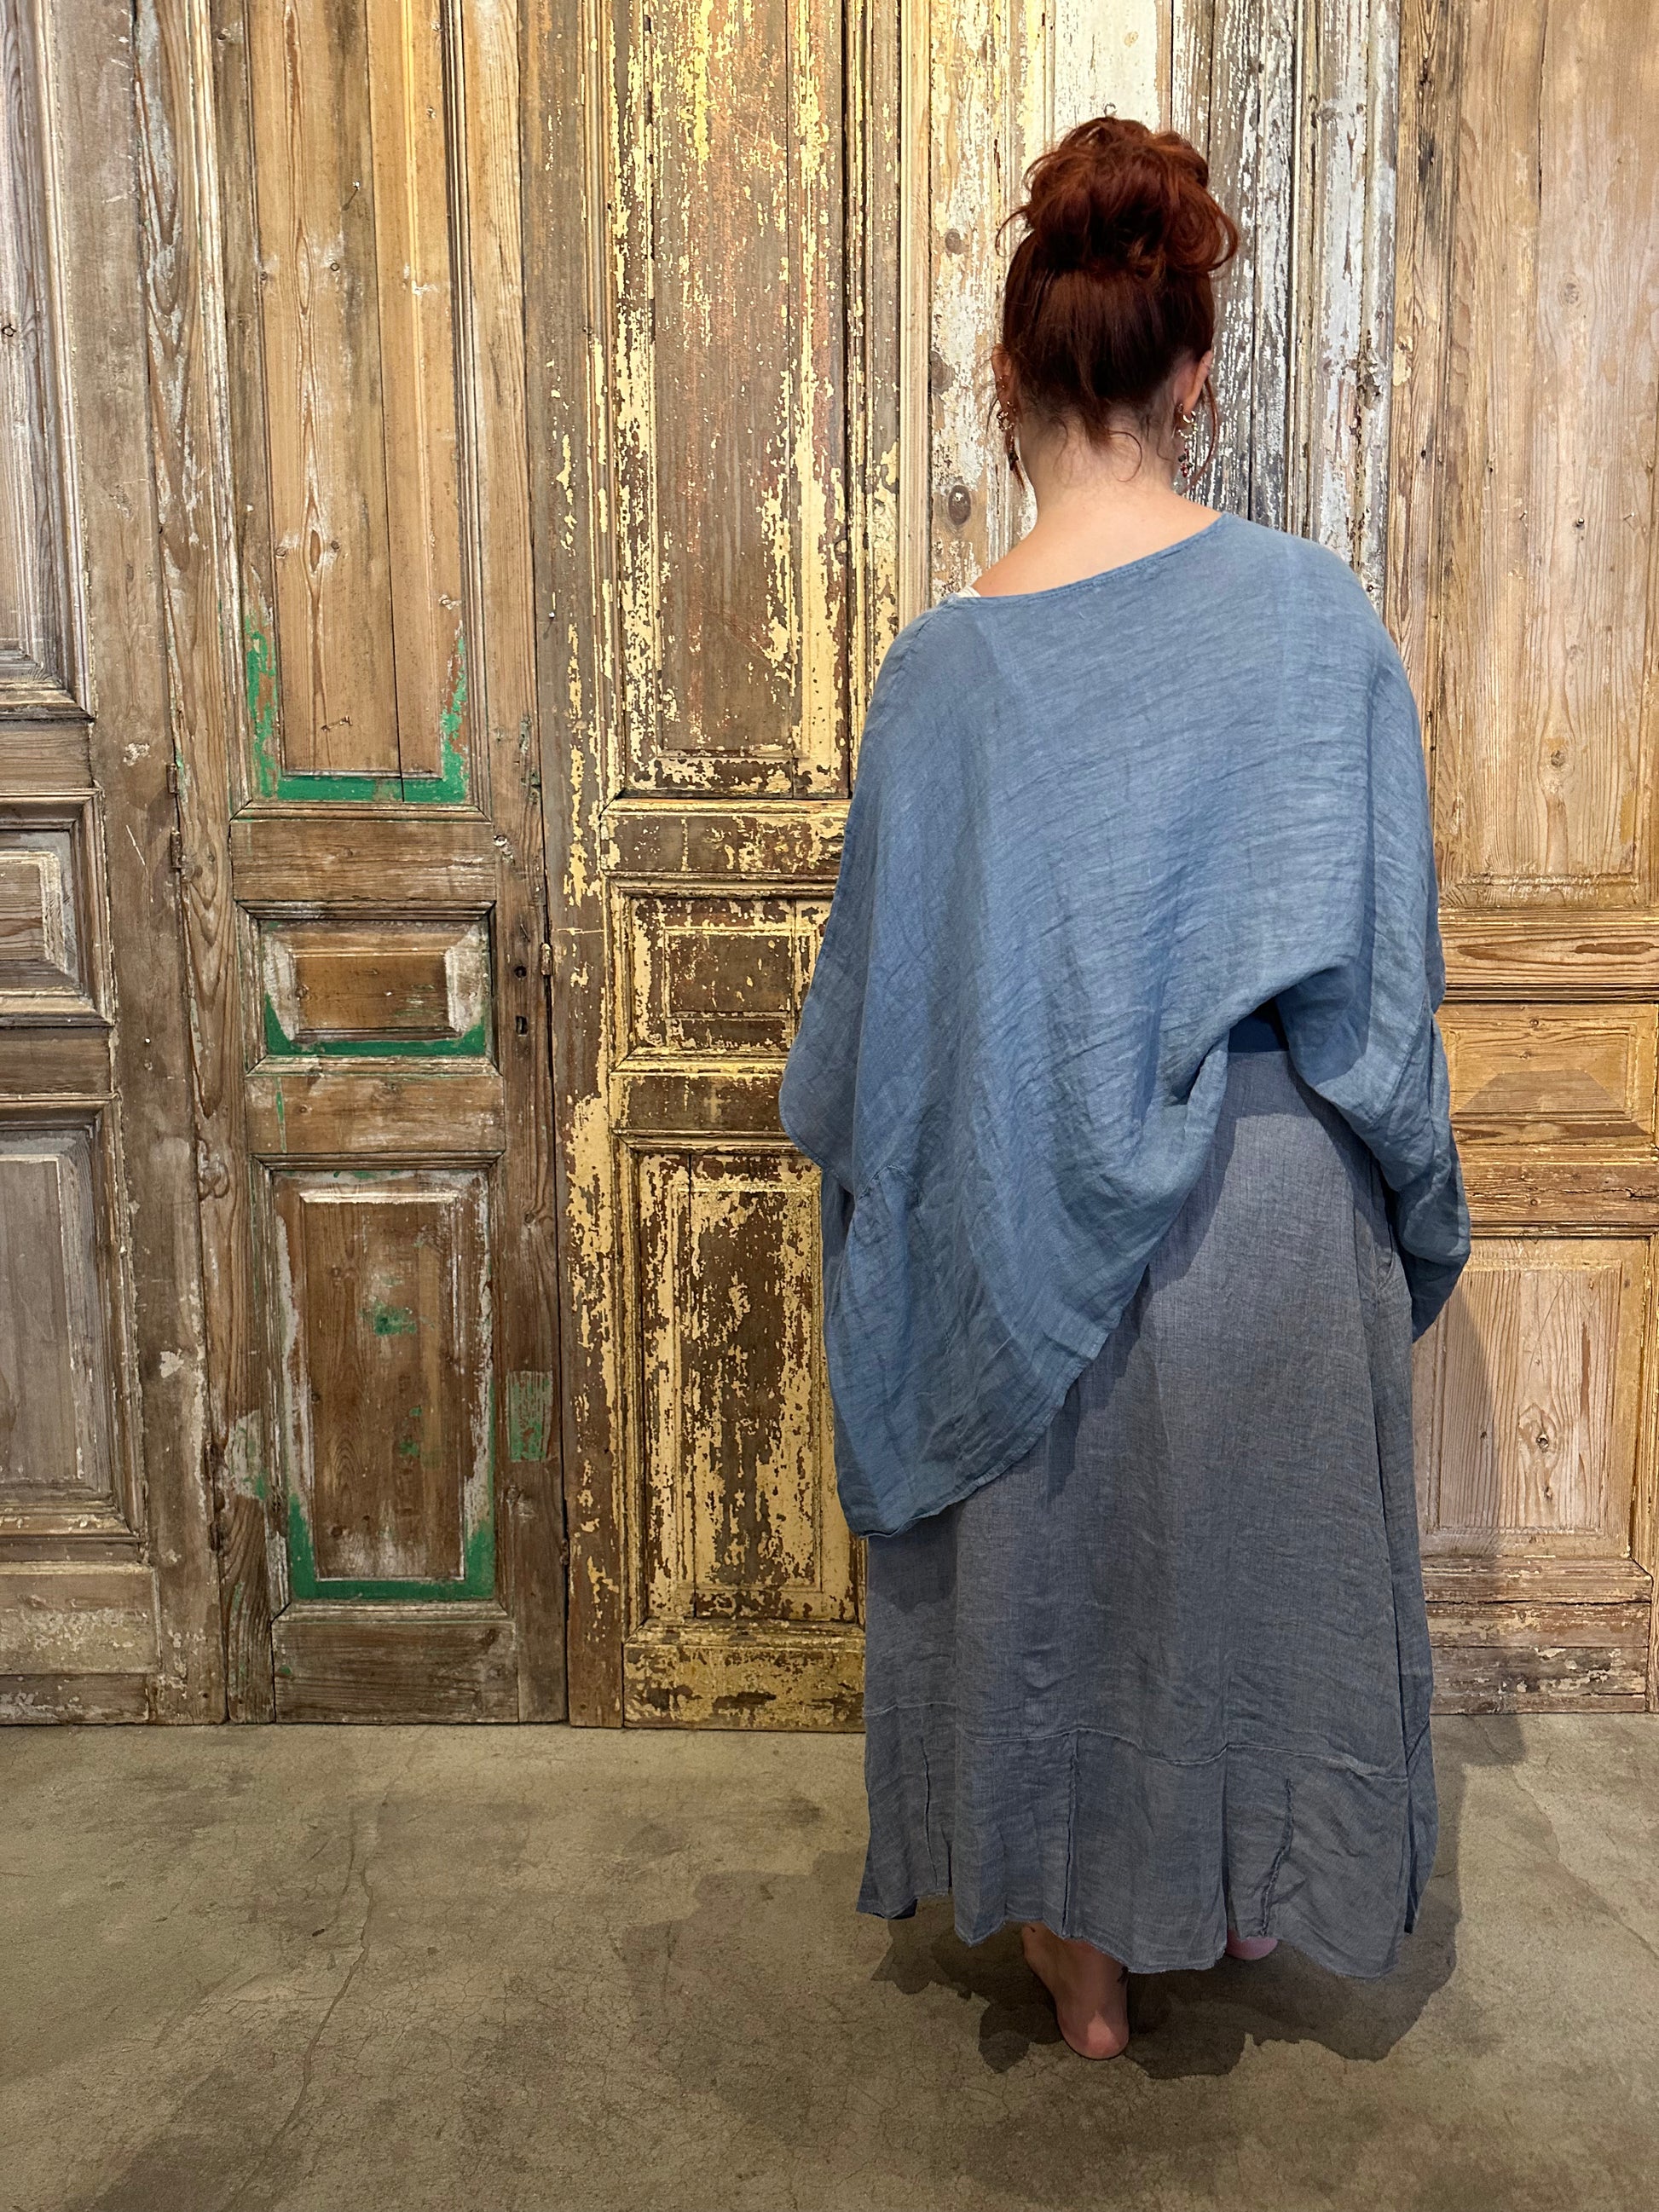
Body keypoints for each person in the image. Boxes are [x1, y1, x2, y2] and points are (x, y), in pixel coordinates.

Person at [777, 114, 1470, 2061]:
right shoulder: (1316, 617)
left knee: (1057, 1599)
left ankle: (1081, 1963)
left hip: (1026, 1242)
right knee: (1233, 1582)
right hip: (1269, 1211)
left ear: (1004, 377)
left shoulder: (941, 673)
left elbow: (880, 1055)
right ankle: (1233, 1889)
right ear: (1197, 377)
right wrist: (1411, 1218)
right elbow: (1382, 999)